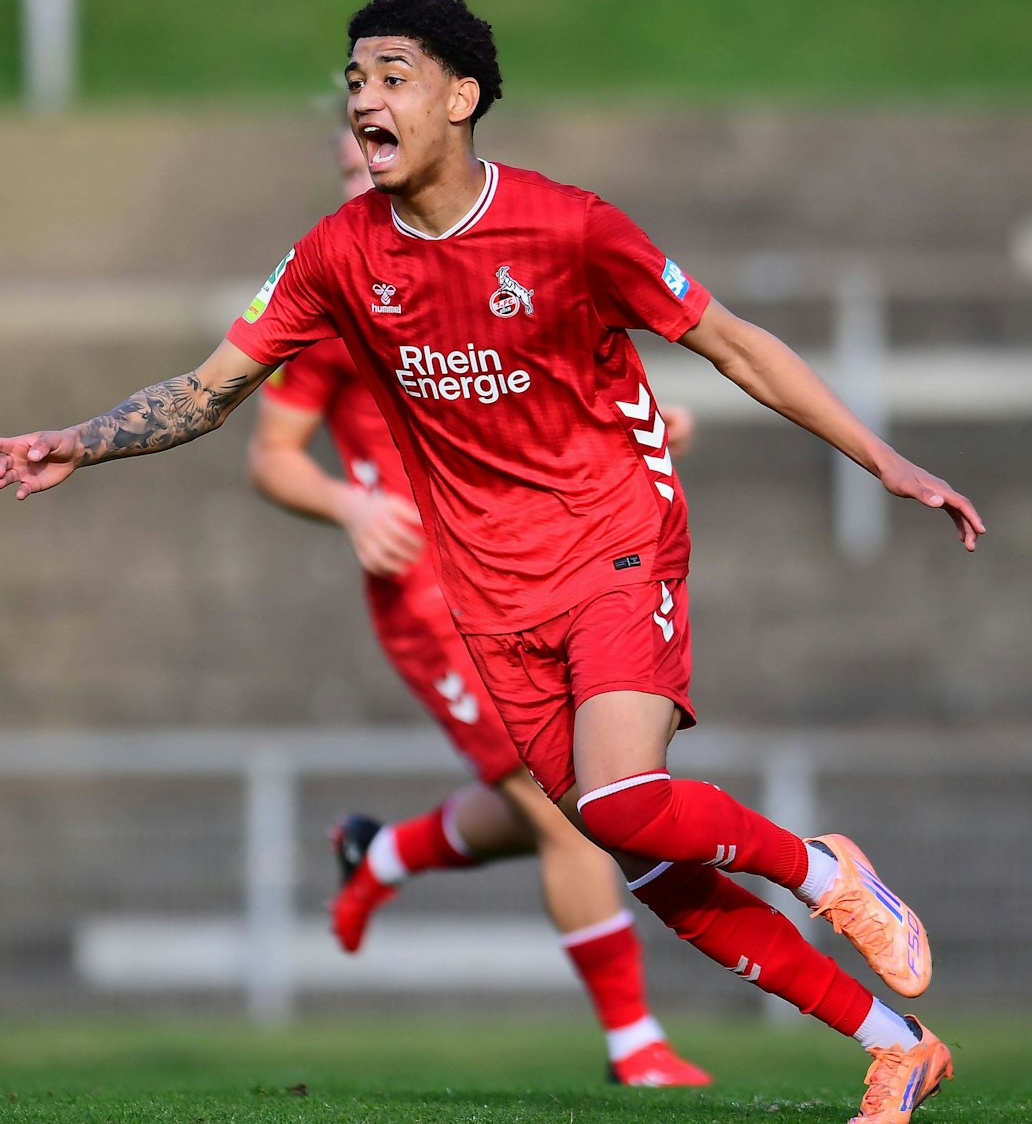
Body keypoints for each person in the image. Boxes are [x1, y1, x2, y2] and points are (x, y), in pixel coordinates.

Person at [0, 0, 983, 1124]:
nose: (364, 97)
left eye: (390, 75)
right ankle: (893, 1045)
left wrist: (879, 458)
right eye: (354, 79)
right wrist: (78, 439)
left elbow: (733, 344)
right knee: (636, 849)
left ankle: (823, 872)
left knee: (618, 798)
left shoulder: (570, 227)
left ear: (460, 98)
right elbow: (211, 393)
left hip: (613, 537)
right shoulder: (334, 256)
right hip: (486, 592)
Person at [246, 127, 708, 1087]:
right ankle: (638, 1048)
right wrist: (349, 504)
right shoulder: (332, 297)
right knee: (570, 811)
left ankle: (385, 854)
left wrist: (634, 439)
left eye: (371, 156)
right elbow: (270, 456)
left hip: (536, 566)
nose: (360, 178)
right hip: (429, 592)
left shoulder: (475, 271)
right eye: (345, 165)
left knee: (577, 791)